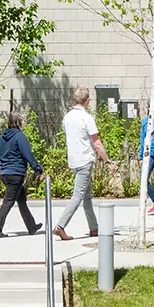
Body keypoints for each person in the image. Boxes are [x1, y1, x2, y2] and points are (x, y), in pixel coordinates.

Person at [53, 88, 107, 240]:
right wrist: (107, 160)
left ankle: (94, 227)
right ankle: (60, 226)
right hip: (85, 160)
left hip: (74, 160)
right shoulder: (87, 118)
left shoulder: (67, 117)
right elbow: (96, 142)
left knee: (87, 196)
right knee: (78, 195)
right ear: (87, 100)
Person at [0, 111, 44, 238]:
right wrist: (38, 170)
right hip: (16, 173)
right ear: (18, 121)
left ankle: (31, 226)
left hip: (5, 173)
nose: (26, 122)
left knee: (21, 200)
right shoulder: (20, 136)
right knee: (8, 202)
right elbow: (28, 155)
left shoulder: (3, 137)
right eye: (24, 120)